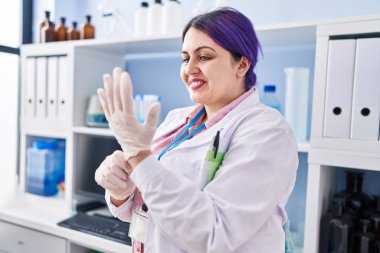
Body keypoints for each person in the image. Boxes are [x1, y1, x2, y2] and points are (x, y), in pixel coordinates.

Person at [95, 7, 298, 253]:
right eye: (185, 58)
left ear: (242, 64)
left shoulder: (268, 131)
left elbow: (213, 232)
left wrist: (139, 156)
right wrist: (121, 190)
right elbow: (151, 205)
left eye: (204, 57)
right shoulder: (176, 121)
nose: (190, 68)